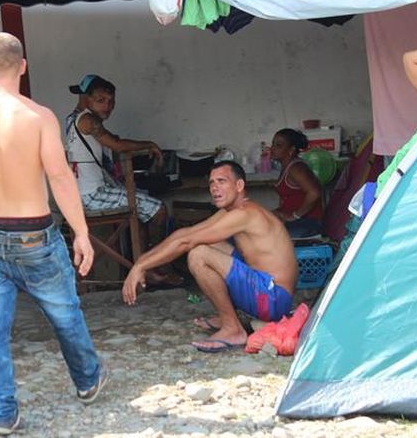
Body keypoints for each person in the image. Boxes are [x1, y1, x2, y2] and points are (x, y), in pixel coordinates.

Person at [0, 32, 107, 435]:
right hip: (34, 235)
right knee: (64, 313)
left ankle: (2, 413)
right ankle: (87, 381)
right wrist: (81, 232)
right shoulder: (38, 116)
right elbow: (60, 177)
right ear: (23, 67)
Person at [122, 161, 298, 353]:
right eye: (212, 182)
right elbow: (186, 234)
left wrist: (141, 267)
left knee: (198, 255)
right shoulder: (231, 211)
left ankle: (233, 329)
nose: (215, 187)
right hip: (266, 290)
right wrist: (140, 263)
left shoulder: (245, 214)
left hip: (273, 299)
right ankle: (229, 317)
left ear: (239, 185)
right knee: (209, 244)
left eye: (222, 181)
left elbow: (186, 242)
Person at [65, 73, 181, 286]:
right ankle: (157, 265)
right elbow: (117, 145)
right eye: (101, 100)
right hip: (92, 196)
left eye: (111, 101)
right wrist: (149, 144)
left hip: (81, 195)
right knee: (159, 210)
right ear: (86, 99)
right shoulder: (88, 120)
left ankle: (145, 266)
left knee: (143, 209)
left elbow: (112, 141)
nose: (107, 106)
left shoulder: (72, 120)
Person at [270, 128, 324, 238]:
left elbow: (314, 193)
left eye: (278, 145)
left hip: (308, 223)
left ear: (291, 150)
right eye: (273, 144)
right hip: (297, 221)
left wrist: (295, 216)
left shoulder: (296, 168)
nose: (272, 148)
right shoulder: (287, 167)